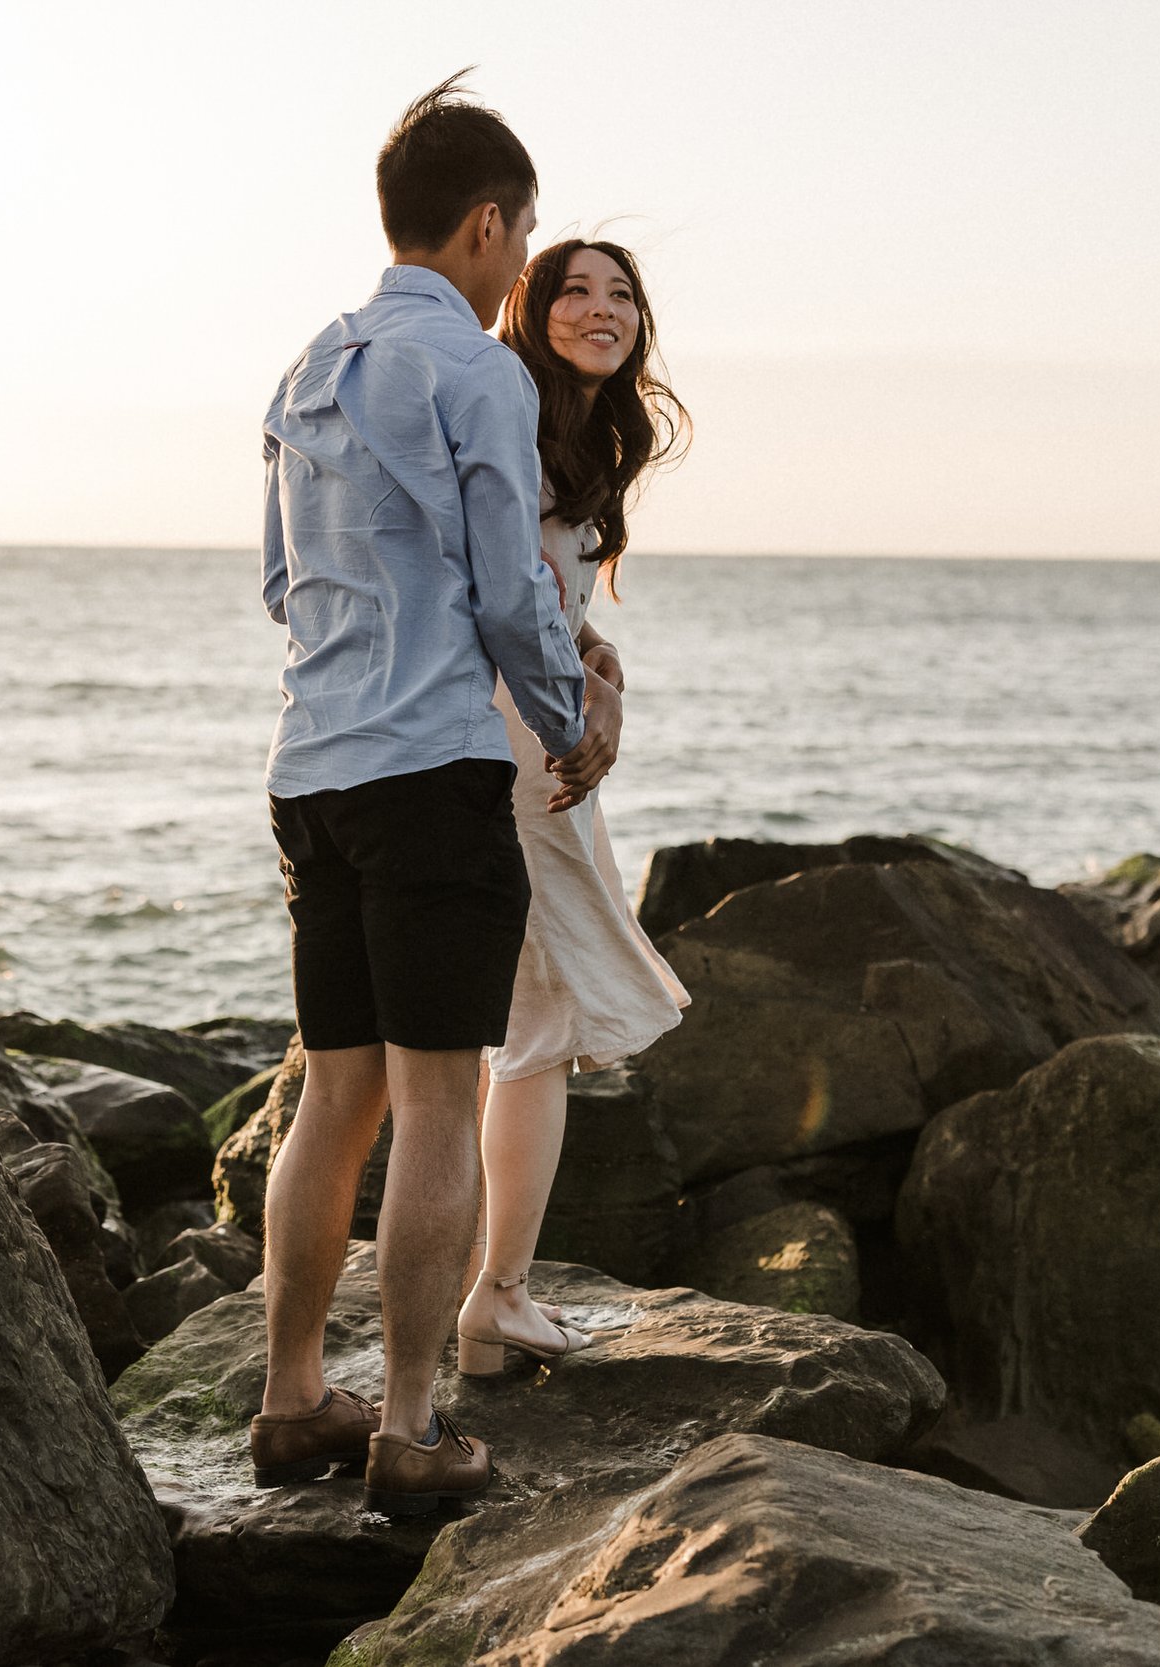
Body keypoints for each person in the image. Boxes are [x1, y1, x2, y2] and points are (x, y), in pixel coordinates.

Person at [245, 74, 590, 1519]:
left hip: (311, 767)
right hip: (434, 768)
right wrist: (567, 712)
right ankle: (410, 1425)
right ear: (486, 223)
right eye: (518, 240)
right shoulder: (478, 371)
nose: (519, 267)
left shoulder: (306, 368)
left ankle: (287, 1400)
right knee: (443, 1100)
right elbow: (512, 581)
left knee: (336, 1092)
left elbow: (278, 583)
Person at [454, 239, 694, 1376]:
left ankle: (493, 1293)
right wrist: (575, 698)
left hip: (531, 726)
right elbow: (495, 589)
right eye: (573, 292)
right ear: (528, 307)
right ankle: (494, 1295)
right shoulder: (515, 415)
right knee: (536, 1022)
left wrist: (591, 646)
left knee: (524, 1022)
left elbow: (540, 591)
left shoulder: (580, 436)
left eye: (621, 294)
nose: (601, 309)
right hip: (521, 741)